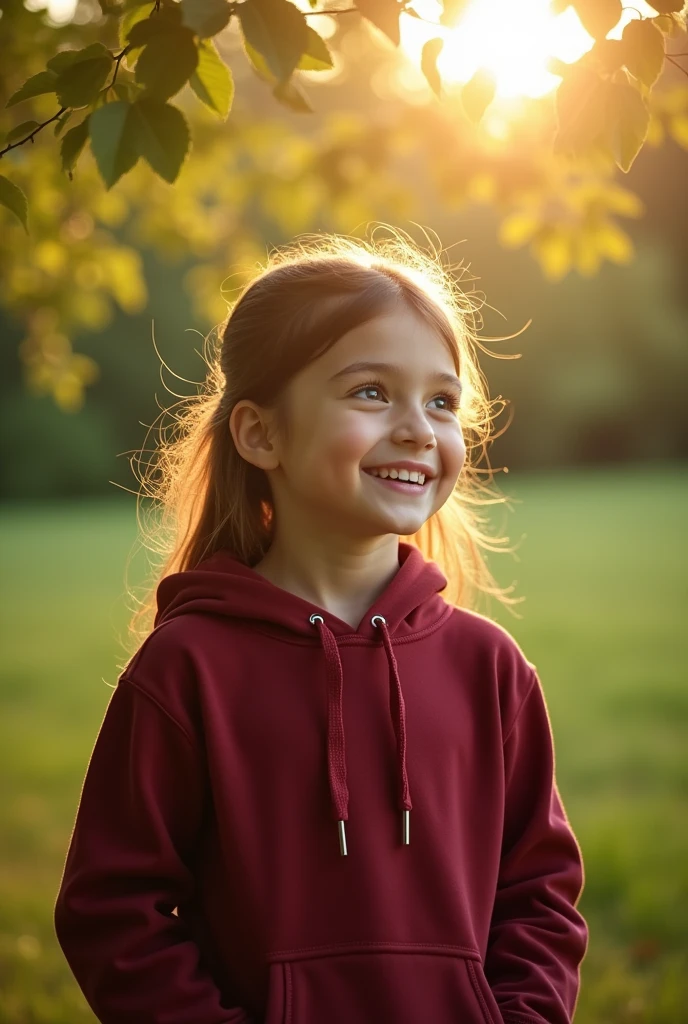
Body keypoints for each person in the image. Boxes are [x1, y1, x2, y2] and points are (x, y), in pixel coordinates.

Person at [54, 229, 589, 1024]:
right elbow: (115, 910)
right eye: (371, 391)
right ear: (259, 433)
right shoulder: (188, 668)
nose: (417, 427)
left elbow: (541, 899)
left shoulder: (491, 668)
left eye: (442, 402)